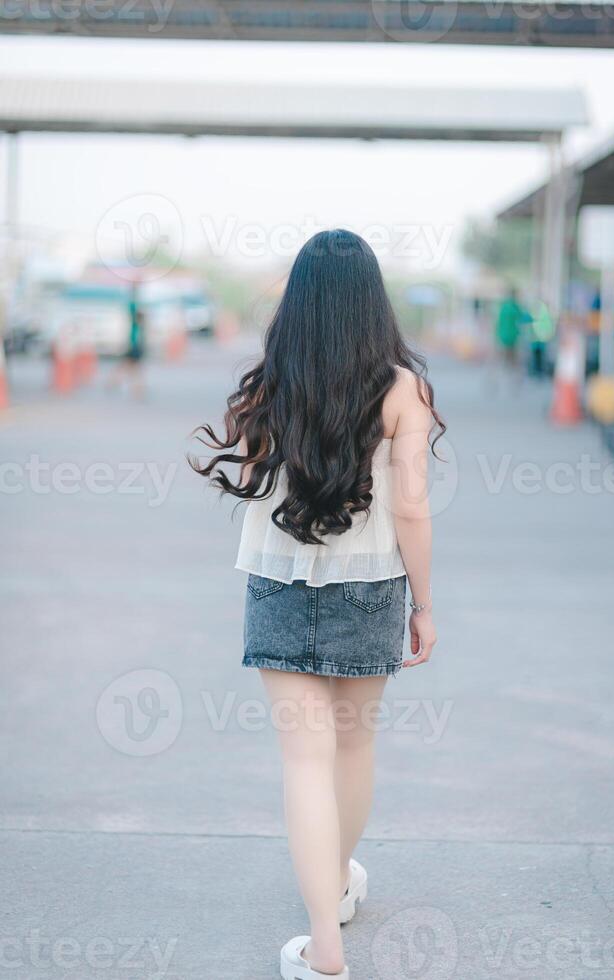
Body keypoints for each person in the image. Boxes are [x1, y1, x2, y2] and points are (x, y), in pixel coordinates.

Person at [190, 229, 443, 980]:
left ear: (297, 302)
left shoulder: (274, 379)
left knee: (304, 763)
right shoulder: (403, 388)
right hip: (370, 588)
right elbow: (414, 510)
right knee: (354, 747)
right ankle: (333, 892)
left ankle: (323, 949)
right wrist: (424, 605)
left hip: (276, 581)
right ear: (373, 303)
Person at [107, 284, 146, 398]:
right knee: (131, 368)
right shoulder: (136, 327)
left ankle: (115, 383)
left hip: (135, 348)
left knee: (130, 368)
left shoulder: (137, 327)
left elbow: (132, 307)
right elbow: (132, 307)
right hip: (135, 348)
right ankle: (135, 389)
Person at [495, 286, 527, 371]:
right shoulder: (515, 307)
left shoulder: (504, 307)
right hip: (512, 336)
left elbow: (498, 322)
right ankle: (516, 378)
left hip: (502, 336)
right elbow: (523, 318)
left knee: (500, 358)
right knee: (514, 359)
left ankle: (493, 377)